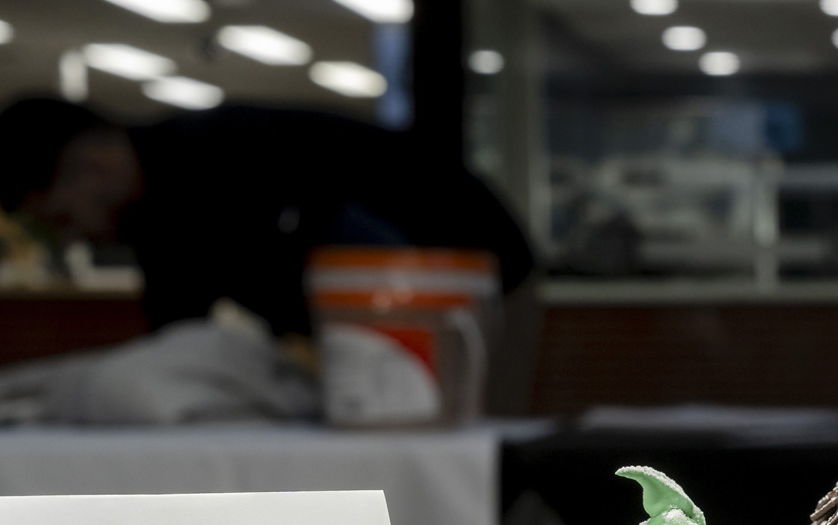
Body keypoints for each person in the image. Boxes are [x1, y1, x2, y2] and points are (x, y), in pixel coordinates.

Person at [0, 96, 539, 412]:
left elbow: (355, 254)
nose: (74, 238)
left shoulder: (227, 155)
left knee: (476, 460)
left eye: (64, 218)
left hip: (473, 280)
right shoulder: (156, 213)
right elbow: (176, 335)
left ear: (93, 165)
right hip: (389, 309)